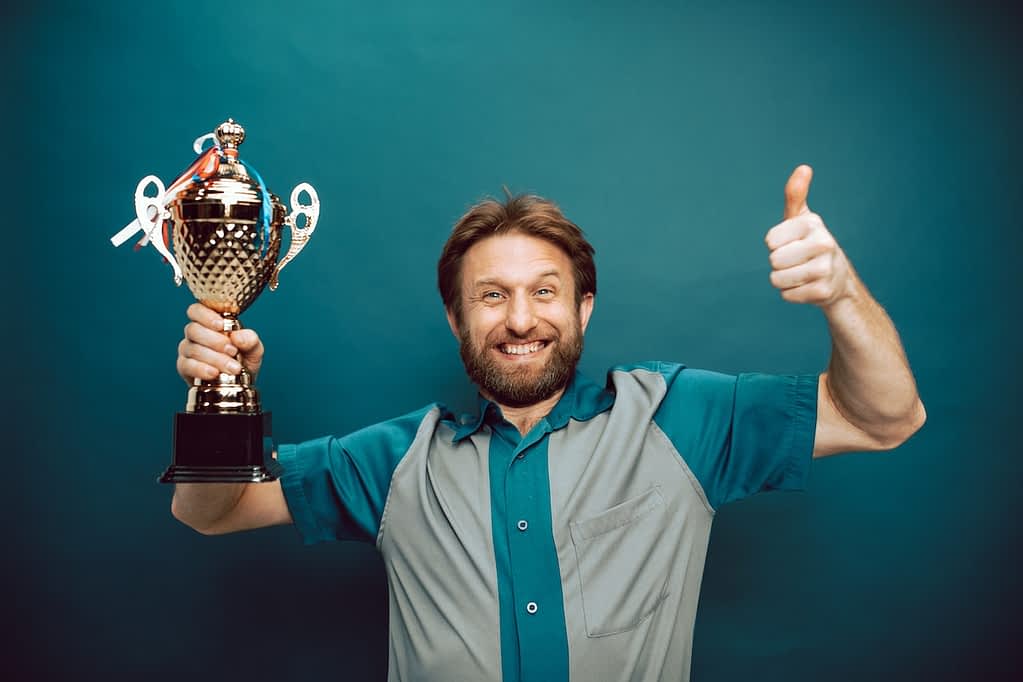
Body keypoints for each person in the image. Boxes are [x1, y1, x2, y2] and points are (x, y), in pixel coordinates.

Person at [171, 166, 925, 682]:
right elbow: (213, 510)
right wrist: (218, 392)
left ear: (583, 307)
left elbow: (886, 418)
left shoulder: (678, 418)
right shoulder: (395, 460)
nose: (522, 319)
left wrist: (839, 295)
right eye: (492, 296)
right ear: (455, 317)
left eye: (545, 291)